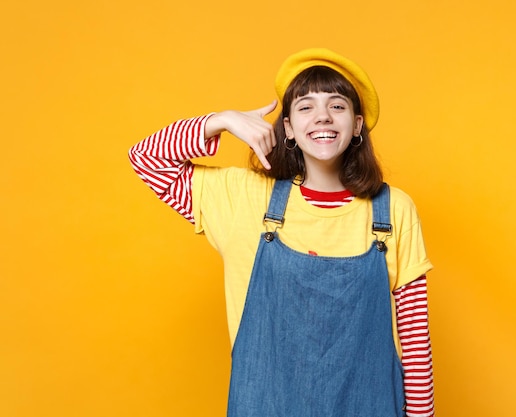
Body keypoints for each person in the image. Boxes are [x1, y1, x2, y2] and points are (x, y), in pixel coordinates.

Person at [129, 48, 434, 417]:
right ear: (287, 127)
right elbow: (147, 159)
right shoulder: (244, 198)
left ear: (357, 125)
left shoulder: (393, 209)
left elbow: (415, 342)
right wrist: (221, 120)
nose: (322, 115)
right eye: (305, 106)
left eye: (337, 105)